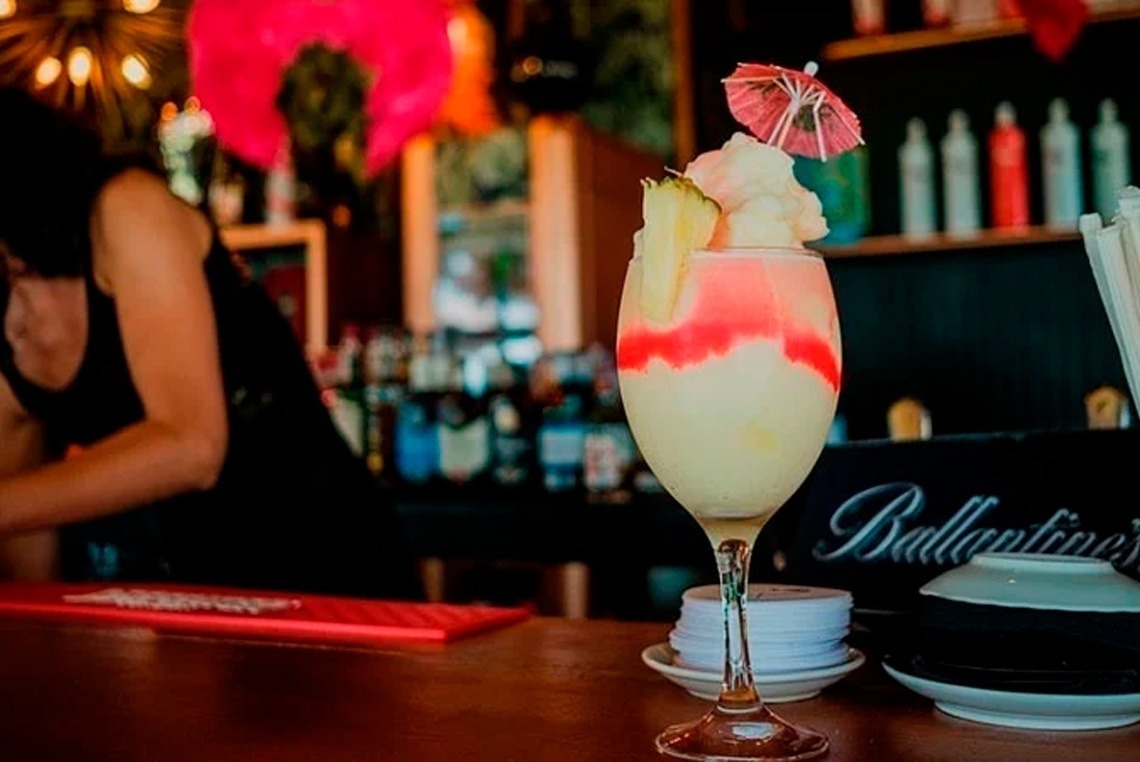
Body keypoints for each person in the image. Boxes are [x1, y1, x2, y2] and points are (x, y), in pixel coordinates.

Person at [0, 87, 422, 600]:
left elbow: (191, 447)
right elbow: (27, 554)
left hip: (333, 568)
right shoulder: (9, 304)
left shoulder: (123, 209)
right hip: (203, 591)